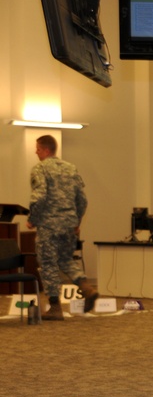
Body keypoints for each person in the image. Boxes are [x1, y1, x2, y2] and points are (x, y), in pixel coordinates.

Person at [27, 134, 98, 320]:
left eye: (38, 149)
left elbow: (39, 196)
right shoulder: (70, 168)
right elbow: (82, 200)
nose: (36, 152)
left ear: (46, 150)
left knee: (48, 263)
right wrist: (76, 222)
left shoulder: (40, 169)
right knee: (66, 259)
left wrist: (32, 219)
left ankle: (55, 308)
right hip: (68, 224)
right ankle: (86, 287)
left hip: (49, 225)